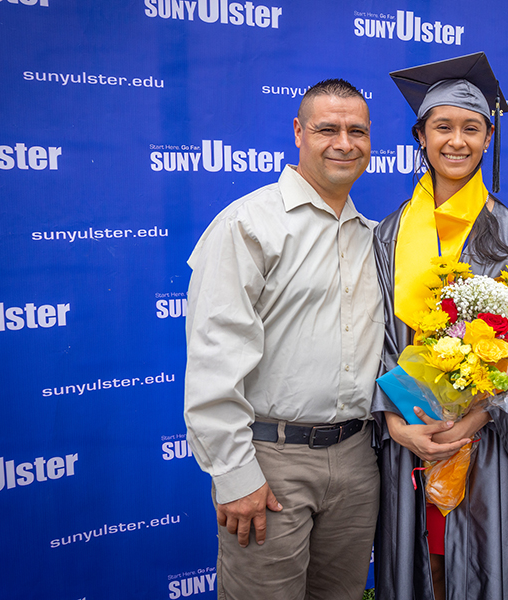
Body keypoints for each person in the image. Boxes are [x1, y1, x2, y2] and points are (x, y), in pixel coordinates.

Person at [183, 79, 382, 600]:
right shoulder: (249, 224)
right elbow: (214, 356)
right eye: (327, 129)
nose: (344, 142)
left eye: (357, 131)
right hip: (271, 462)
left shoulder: (376, 237)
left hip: (359, 461)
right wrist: (233, 474)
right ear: (298, 132)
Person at [372, 53, 508, 600]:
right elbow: (372, 334)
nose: (457, 141)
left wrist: (472, 420)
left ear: (489, 137)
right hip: (409, 429)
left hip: (480, 433)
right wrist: (395, 424)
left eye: (472, 128)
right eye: (443, 126)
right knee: (423, 561)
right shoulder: (388, 233)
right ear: (421, 135)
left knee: (472, 556)